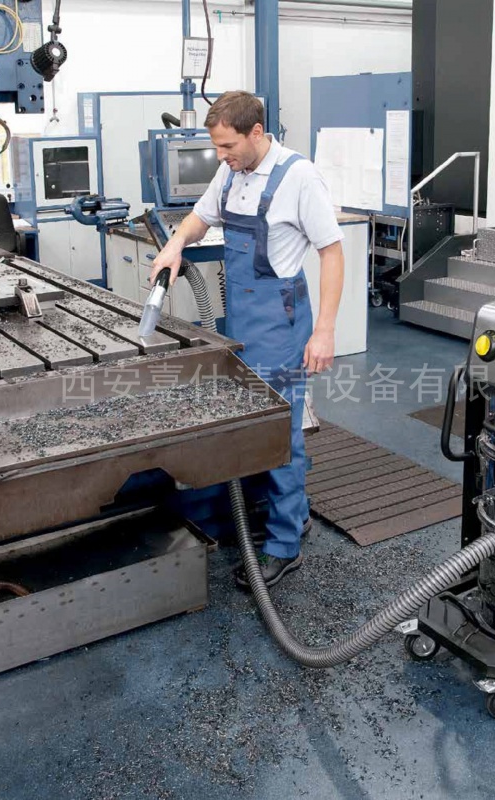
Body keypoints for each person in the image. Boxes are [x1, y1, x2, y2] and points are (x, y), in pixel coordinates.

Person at [150, 91, 344, 588]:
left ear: (256, 132)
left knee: (279, 429)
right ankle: (287, 511)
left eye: (228, 146)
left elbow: (332, 253)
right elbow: (200, 218)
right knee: (250, 420)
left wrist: (324, 331)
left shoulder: (299, 177)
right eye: (216, 147)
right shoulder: (231, 172)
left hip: (279, 323)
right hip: (239, 320)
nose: (221, 156)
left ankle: (284, 544)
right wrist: (176, 244)